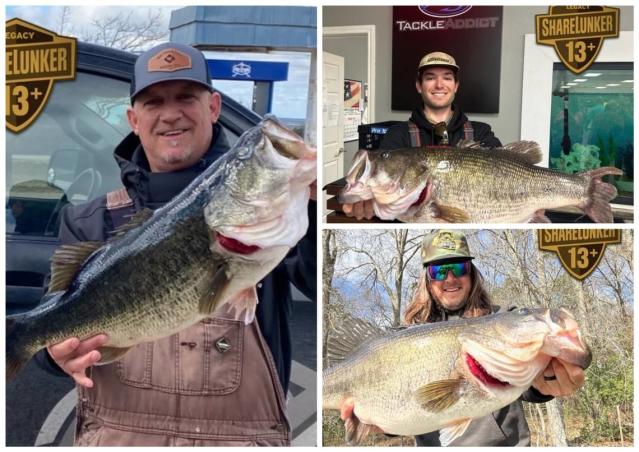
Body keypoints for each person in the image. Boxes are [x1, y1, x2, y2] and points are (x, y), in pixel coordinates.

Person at [34, 42, 316, 446]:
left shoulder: (274, 216)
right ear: (133, 118)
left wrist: (321, 209)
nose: (170, 114)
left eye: (186, 97)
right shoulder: (88, 221)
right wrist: (52, 354)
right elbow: (53, 320)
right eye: (153, 102)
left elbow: (320, 284)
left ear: (214, 107)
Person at [340, 230, 585, 446]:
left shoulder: (500, 318)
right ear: (427, 280)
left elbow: (529, 382)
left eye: (459, 268)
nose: (450, 278)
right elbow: (406, 410)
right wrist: (382, 424)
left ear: (472, 273)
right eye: (439, 271)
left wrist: (548, 381)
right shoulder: (404, 339)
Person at [342, 51, 502, 220]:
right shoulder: (398, 135)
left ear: (456, 85)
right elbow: (381, 184)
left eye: (447, 78)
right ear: (419, 85)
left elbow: (507, 172)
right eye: (430, 77)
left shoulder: (481, 133)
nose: (439, 85)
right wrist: (369, 200)